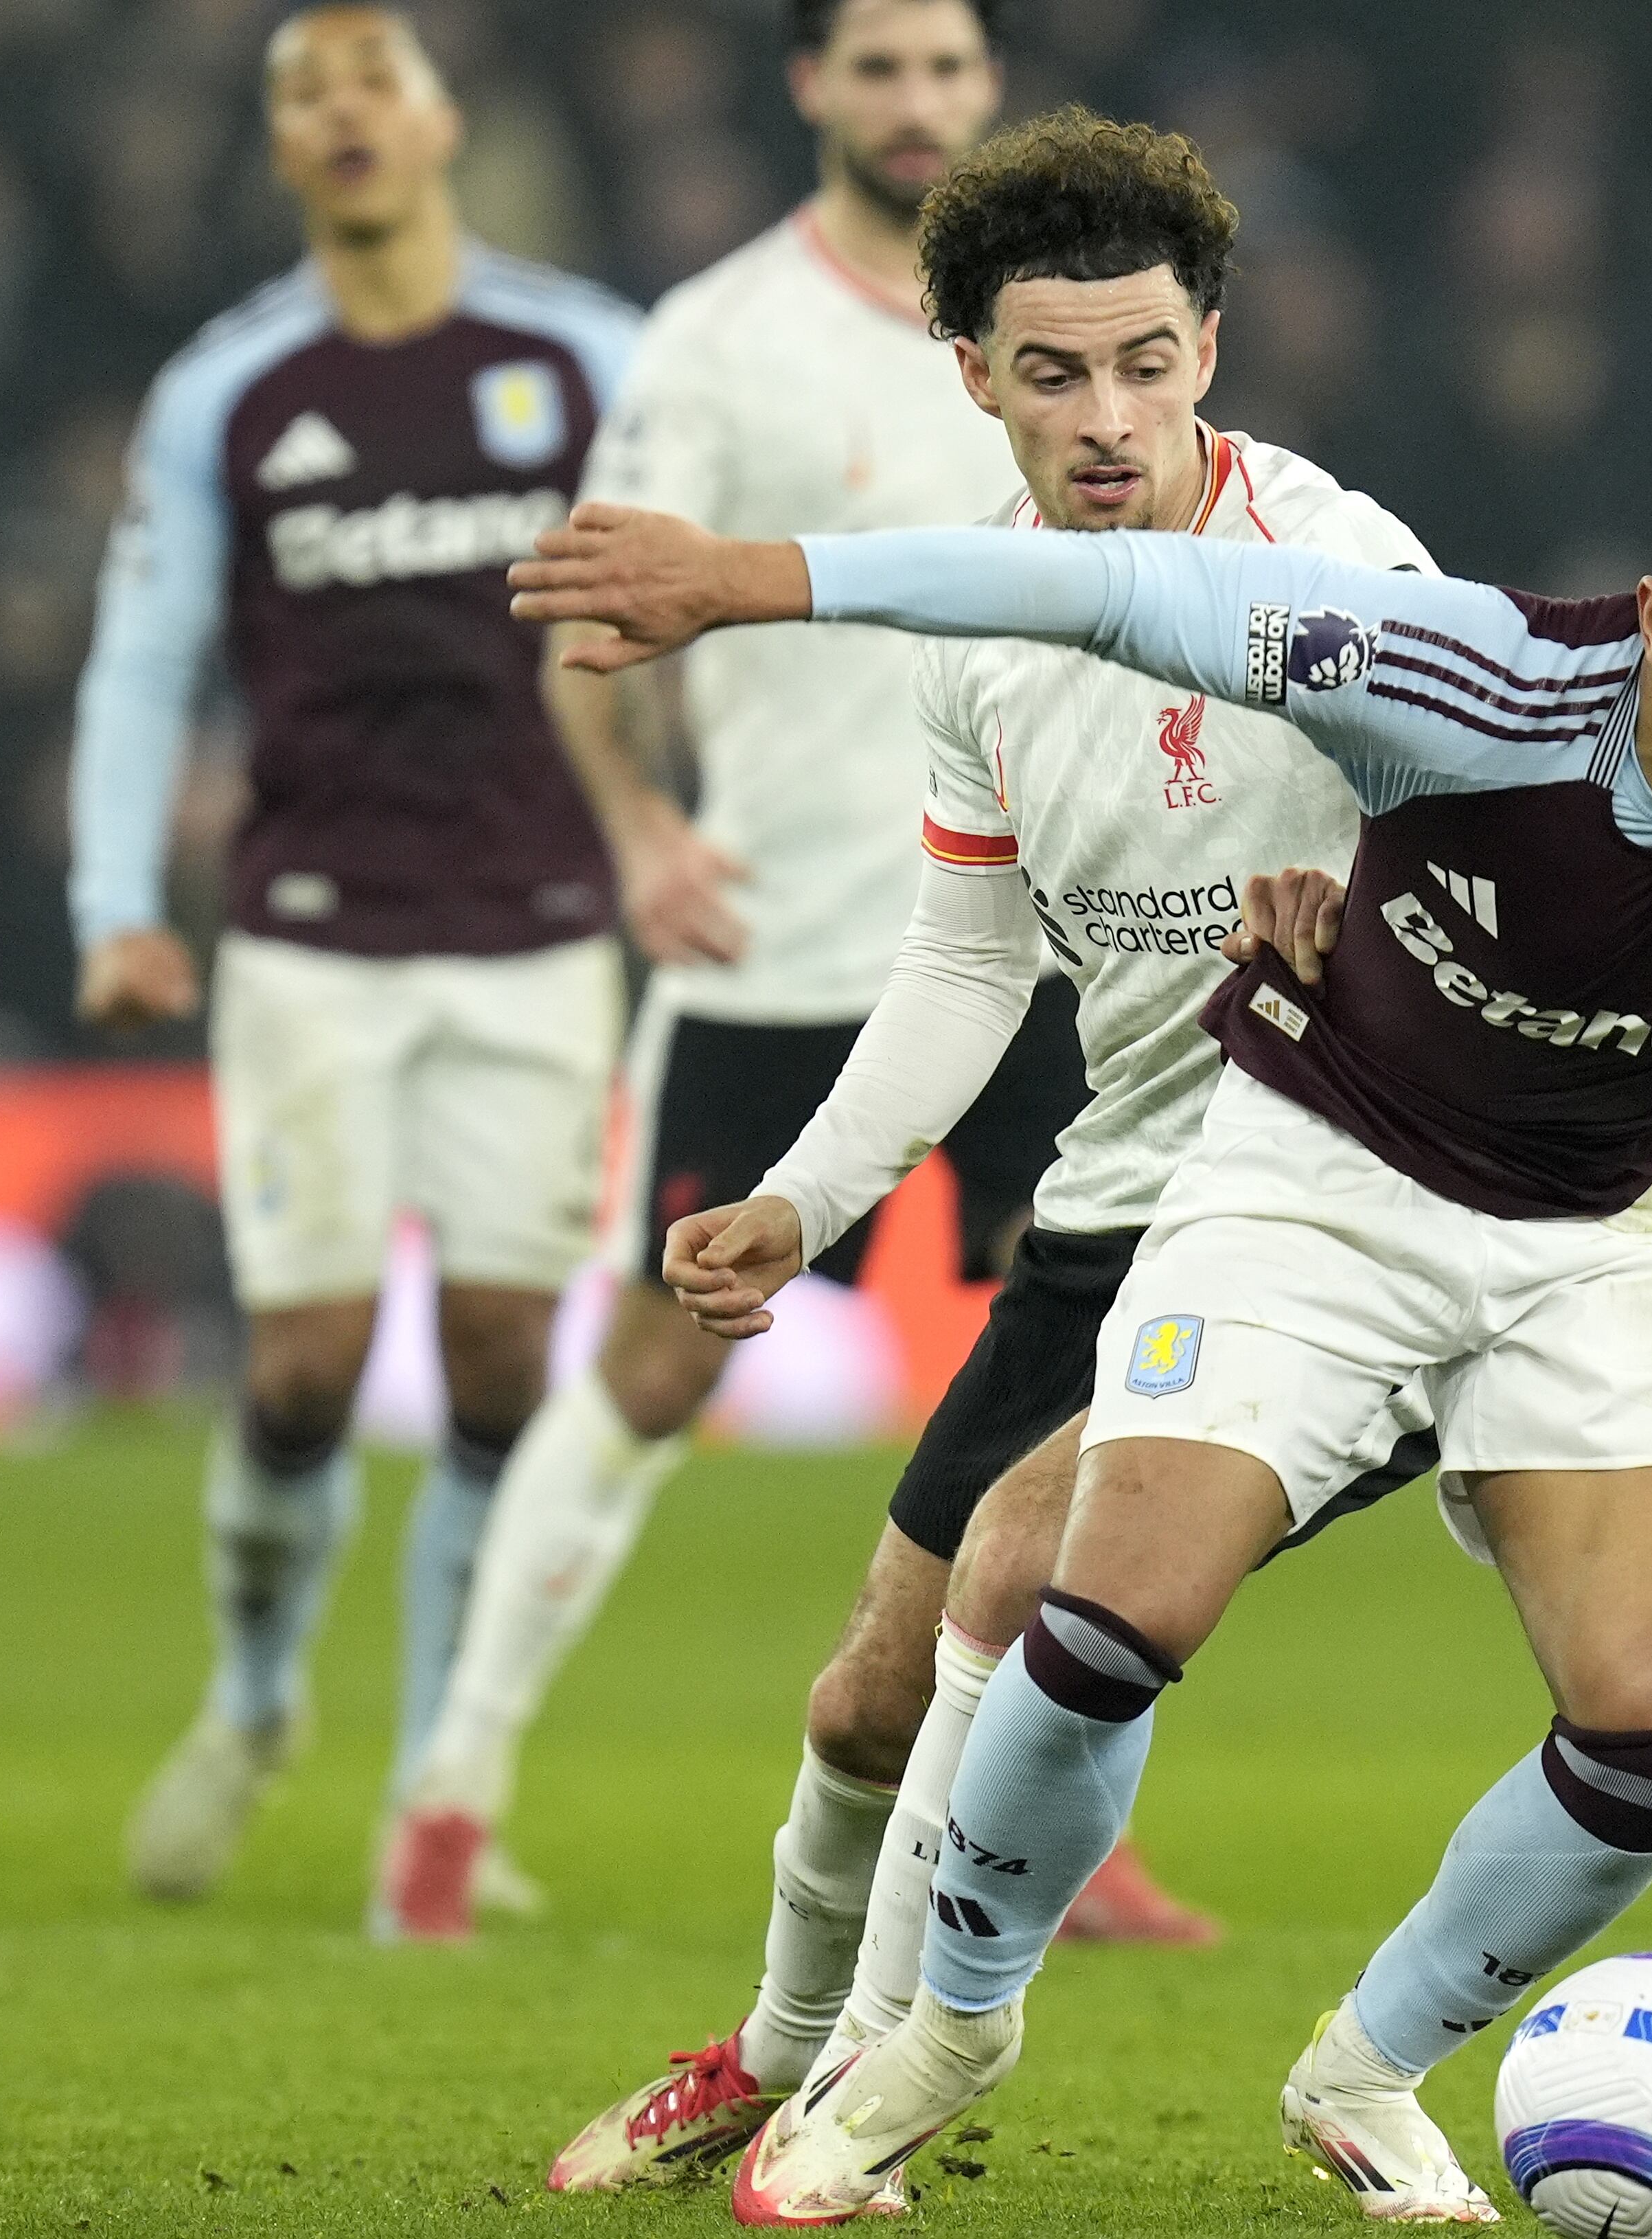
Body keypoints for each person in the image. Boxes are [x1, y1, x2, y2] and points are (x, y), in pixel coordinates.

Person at [512, 444, 1652, 2225]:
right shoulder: (1477, 680)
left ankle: (1365, 2067)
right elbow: (1121, 593)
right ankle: (944, 2042)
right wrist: (750, 578)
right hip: (1324, 1181)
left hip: (1597, 1233)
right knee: (1102, 1608)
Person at [508, 108, 1443, 2190]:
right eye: (1051, 372)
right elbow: (963, 961)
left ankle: (904, 2067)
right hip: (1116, 1210)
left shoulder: (1350, 577)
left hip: (1338, 1219)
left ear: (1211, 347)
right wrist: (798, 1202)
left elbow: (1506, 854)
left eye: (1143, 364)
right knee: (859, 1700)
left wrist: (1373, 951)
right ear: (975, 379)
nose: (1105, 417)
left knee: (1021, 1584)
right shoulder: (982, 628)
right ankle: (775, 2046)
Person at [374, 0, 1175, 1946]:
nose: (917, 105)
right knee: (658, 1356)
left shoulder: (1057, 352)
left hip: (1036, 942)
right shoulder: (714, 339)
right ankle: (452, 1791)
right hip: (780, 941)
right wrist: (646, 838)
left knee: (1094, 1400)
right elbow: (588, 608)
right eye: (880, 70)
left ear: (992, 98)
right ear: (812, 90)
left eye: (949, 72)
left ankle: (1062, 1833)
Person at [71, 6, 638, 1914]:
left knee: (496, 1360)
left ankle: (433, 1796)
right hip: (309, 926)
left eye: (371, 79)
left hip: (544, 925)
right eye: (303, 94)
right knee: (305, 1362)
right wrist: (111, 906)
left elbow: (704, 593)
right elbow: (143, 654)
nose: (342, 115)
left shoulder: (582, 357)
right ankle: (250, 1702)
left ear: (442, 118)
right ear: (285, 148)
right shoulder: (229, 387)